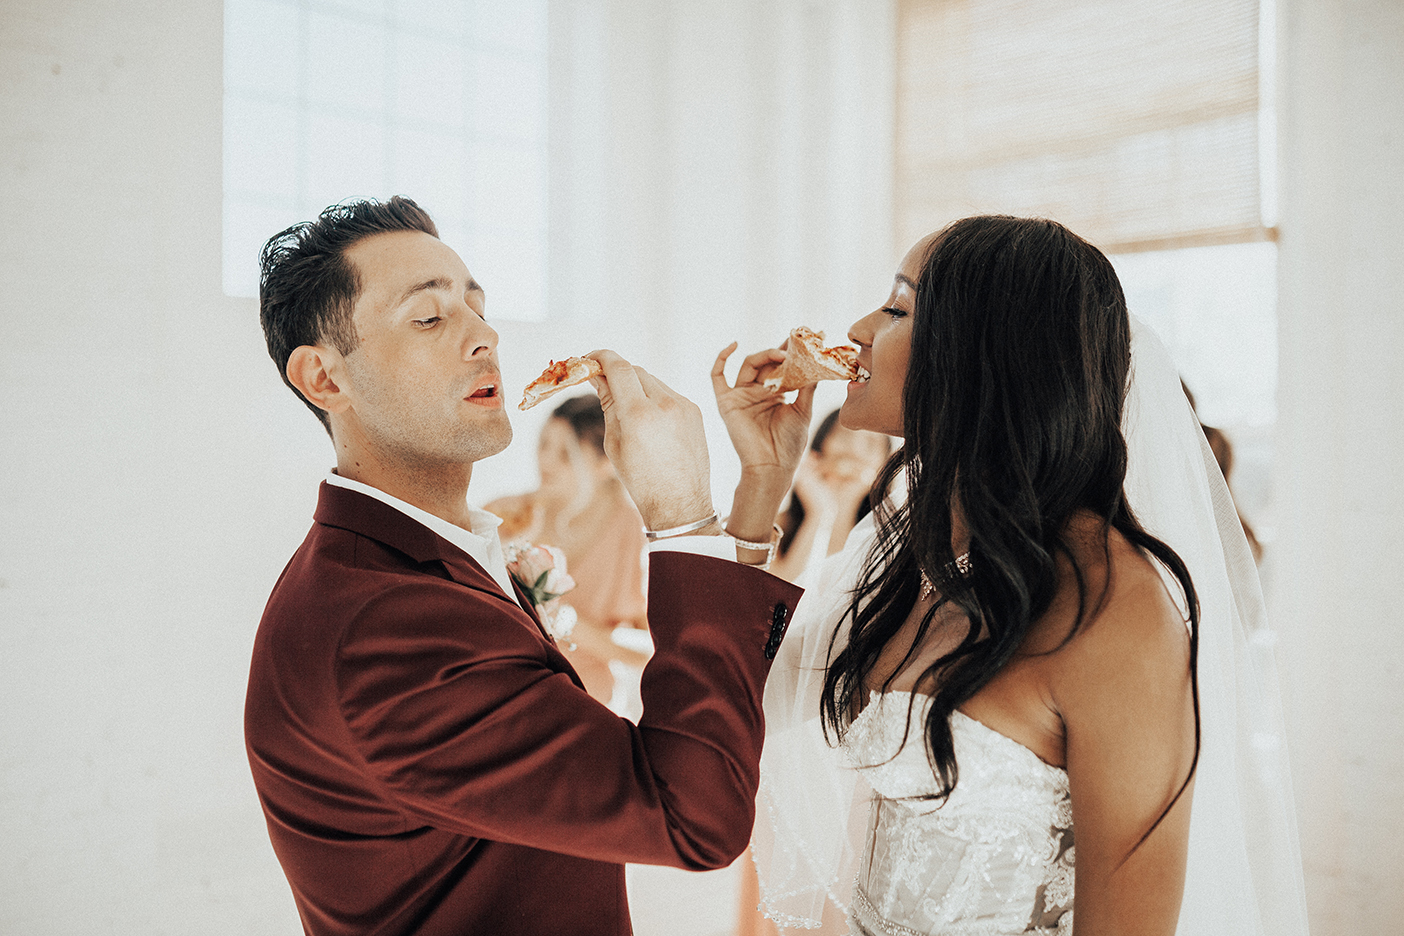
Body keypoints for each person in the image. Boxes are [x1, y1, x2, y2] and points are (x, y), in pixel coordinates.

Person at [712, 216, 1309, 935]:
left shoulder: (1114, 606)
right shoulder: (912, 556)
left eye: (899, 308)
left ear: (983, 354)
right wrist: (759, 487)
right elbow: (736, 706)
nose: (859, 327)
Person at [243, 196, 802, 936]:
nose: (485, 335)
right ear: (324, 379)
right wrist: (679, 518)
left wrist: (755, 493)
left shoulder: (414, 566)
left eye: (477, 305)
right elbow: (692, 818)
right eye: (431, 317)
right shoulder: (384, 625)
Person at [486, 394, 652, 716]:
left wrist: (565, 621)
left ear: (606, 463)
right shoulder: (510, 514)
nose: (545, 461)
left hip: (587, 698)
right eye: (544, 444)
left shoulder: (630, 529)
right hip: (509, 688)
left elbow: (649, 651)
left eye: (564, 454)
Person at [770, 409, 892, 584]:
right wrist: (819, 514)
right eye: (844, 436)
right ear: (821, 445)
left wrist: (848, 503)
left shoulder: (888, 540)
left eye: (871, 444)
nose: (854, 450)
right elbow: (780, 595)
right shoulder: (778, 526)